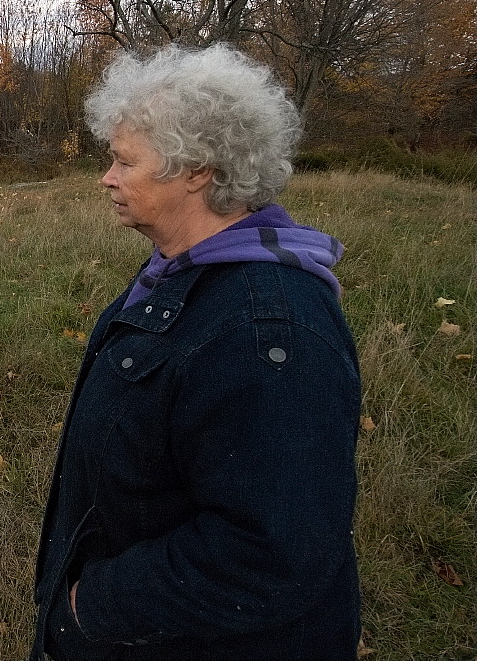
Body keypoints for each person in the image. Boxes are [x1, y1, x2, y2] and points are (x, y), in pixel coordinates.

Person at [33, 44, 362, 660]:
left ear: (197, 170)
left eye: (124, 161)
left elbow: (272, 552)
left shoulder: (269, 331)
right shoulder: (177, 274)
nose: (107, 177)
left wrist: (94, 605)